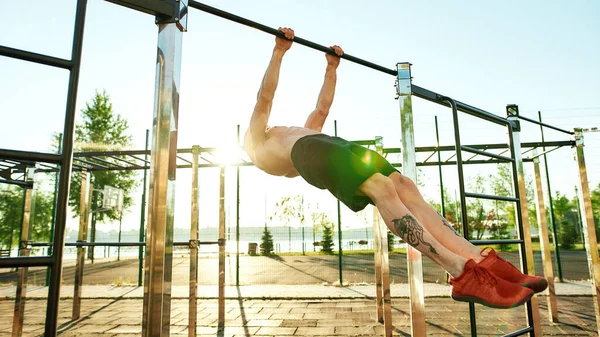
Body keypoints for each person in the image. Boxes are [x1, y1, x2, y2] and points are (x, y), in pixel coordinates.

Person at [244, 27, 547, 309]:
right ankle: (460, 272)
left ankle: (479, 261)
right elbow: (264, 98)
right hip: (311, 153)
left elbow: (321, 108)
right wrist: (279, 52)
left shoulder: (295, 130)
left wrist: (331, 69)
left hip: (329, 143)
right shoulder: (258, 142)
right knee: (382, 188)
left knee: (403, 186)